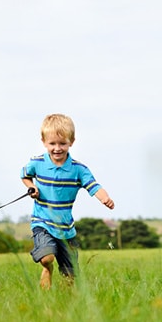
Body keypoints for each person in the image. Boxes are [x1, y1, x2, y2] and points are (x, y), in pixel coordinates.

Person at [21, 114, 115, 289]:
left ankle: (66, 304)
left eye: (62, 143)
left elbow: (94, 186)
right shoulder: (37, 163)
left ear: (71, 142)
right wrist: (31, 187)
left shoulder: (78, 169)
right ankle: (47, 268)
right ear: (43, 142)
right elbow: (24, 175)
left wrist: (104, 198)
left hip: (66, 228)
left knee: (70, 277)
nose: (57, 148)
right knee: (46, 257)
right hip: (42, 221)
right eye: (52, 144)